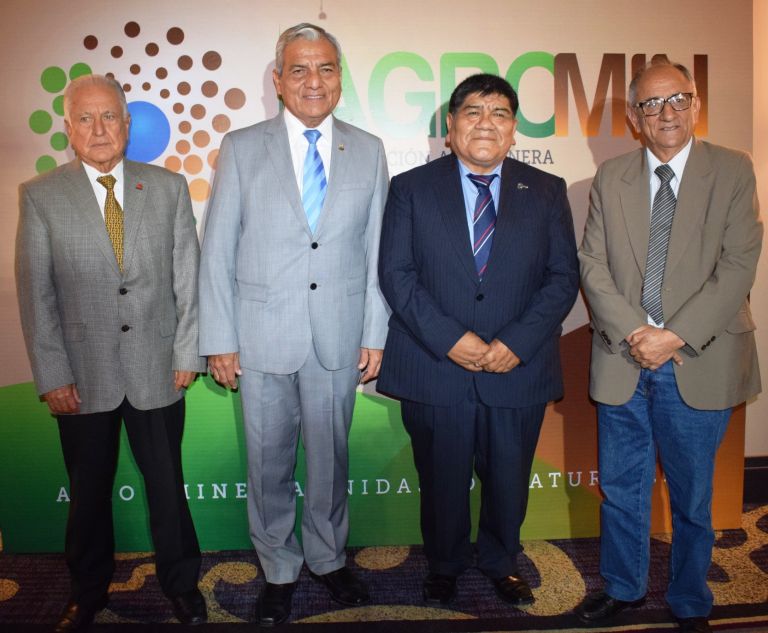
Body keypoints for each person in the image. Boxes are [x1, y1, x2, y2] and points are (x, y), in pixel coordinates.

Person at [198, 23, 389, 627]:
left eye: (326, 68)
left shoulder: (369, 149)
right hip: (260, 337)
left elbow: (377, 250)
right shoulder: (241, 147)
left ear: (340, 79)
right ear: (278, 81)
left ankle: (329, 559)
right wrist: (219, 340)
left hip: (338, 335)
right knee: (268, 464)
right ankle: (278, 567)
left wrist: (374, 331)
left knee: (332, 461)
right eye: (300, 69)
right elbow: (217, 248)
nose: (314, 80)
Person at [377, 74, 579, 606]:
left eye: (499, 113)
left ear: (513, 130)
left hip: (518, 367)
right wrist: (451, 340)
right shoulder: (411, 188)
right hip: (436, 365)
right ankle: (444, 564)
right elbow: (396, 274)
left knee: (509, 478)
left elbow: (562, 277)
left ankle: (500, 561)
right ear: (450, 126)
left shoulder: (546, 190)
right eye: (473, 111)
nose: (486, 123)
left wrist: (517, 342)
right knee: (441, 479)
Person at [15, 74, 207, 632]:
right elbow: (36, 293)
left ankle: (182, 586)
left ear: (127, 123)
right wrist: (52, 374)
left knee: (168, 490)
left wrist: (187, 353)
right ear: (68, 128)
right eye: (86, 118)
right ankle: (88, 592)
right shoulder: (41, 194)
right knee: (88, 496)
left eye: (109, 117)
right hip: (81, 374)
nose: (99, 129)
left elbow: (188, 281)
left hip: (158, 368)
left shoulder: (168, 188)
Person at [576, 58, 761, 633]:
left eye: (678, 99)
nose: (667, 113)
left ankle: (689, 597)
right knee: (621, 489)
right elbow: (593, 264)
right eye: (652, 104)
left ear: (696, 104)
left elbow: (738, 266)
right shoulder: (612, 177)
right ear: (634, 118)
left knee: (693, 497)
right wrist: (639, 334)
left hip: (697, 357)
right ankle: (623, 588)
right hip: (623, 356)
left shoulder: (732, 169)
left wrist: (672, 335)